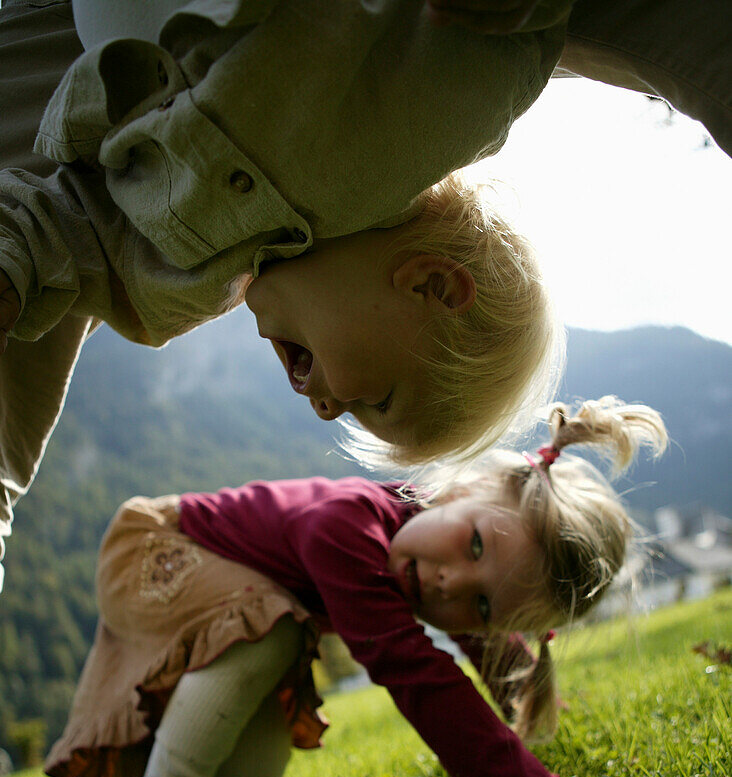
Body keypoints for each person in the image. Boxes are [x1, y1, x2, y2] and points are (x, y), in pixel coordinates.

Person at [0, 0, 573, 593]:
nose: (326, 410)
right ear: (432, 285)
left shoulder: (177, 287)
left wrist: (12, 268)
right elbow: (513, 46)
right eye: (376, 400)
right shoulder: (414, 125)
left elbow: (65, 227)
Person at [43, 396, 667, 777]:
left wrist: (526, 709)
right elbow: (416, 672)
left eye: (481, 603)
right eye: (474, 545)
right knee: (275, 628)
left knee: (253, 769)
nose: (452, 582)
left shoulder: (425, 556)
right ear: (461, 489)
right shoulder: (345, 527)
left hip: (218, 586)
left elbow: (488, 645)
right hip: (152, 548)